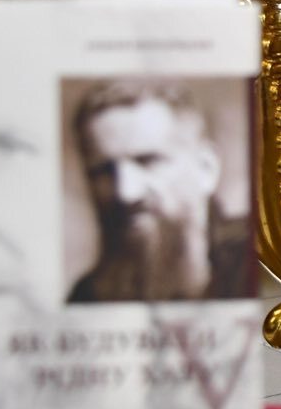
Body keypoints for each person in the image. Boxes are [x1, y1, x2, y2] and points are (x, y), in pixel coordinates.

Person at [67, 78, 254, 304]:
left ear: (207, 169)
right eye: (103, 171)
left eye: (148, 161)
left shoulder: (262, 265)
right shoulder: (86, 297)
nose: (126, 193)